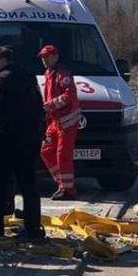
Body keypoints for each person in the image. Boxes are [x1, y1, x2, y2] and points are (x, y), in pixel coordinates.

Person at [0, 45, 45, 240]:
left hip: (5, 141)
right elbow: (39, 110)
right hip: (28, 142)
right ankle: (33, 229)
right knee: (30, 188)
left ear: (3, 60)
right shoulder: (29, 78)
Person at [39, 44, 81, 201]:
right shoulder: (48, 74)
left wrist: (50, 105)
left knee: (63, 154)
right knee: (46, 150)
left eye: (47, 57)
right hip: (55, 121)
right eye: (43, 57)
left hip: (67, 121)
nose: (44, 60)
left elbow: (69, 95)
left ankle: (68, 190)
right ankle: (62, 184)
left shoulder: (63, 74)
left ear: (55, 56)